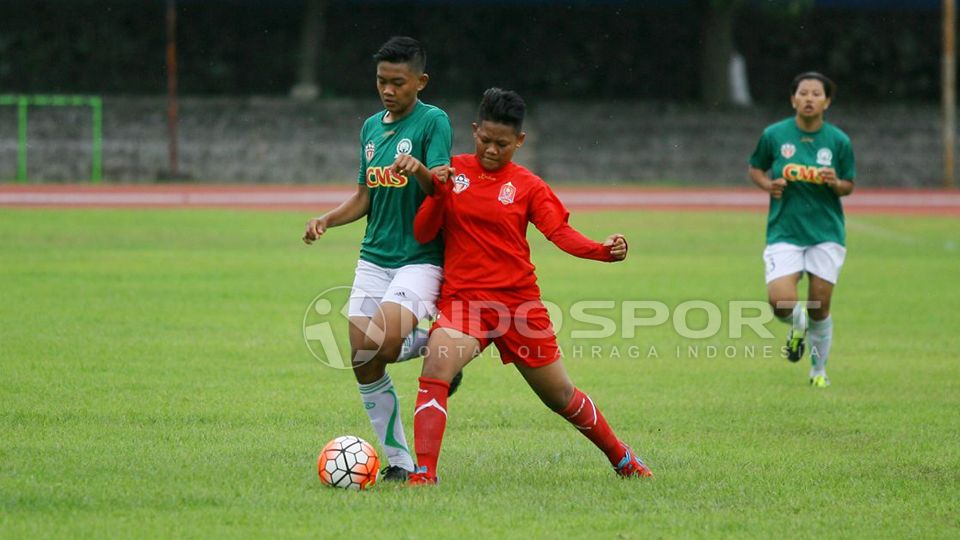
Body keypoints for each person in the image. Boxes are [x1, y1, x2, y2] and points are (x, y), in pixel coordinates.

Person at [393, 88, 652, 485]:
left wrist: (603, 251)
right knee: (437, 367)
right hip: (464, 302)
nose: (492, 150)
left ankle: (623, 459)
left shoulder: (529, 185)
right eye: (484, 140)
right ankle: (424, 474)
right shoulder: (451, 172)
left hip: (519, 306)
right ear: (474, 130)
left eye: (502, 144)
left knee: (560, 397)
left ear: (520, 141)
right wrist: (438, 192)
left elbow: (559, 232)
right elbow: (422, 230)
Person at [302, 36, 461, 482]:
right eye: (381, 81)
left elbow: (441, 189)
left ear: (420, 81)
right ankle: (398, 463)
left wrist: (422, 171)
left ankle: (434, 344)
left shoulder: (434, 122)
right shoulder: (372, 127)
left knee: (384, 347)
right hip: (373, 258)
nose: (388, 90)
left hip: (419, 258)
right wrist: (327, 220)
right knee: (362, 360)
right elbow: (364, 197)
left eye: (397, 82)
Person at [747, 72, 856, 388]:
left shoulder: (838, 141)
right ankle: (797, 326)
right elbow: (755, 167)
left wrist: (835, 183)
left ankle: (818, 371)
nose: (809, 98)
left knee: (820, 306)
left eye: (816, 94)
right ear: (793, 99)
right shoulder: (774, 135)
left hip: (826, 233)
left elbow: (849, 185)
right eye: (803, 93)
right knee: (780, 300)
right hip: (784, 231)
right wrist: (769, 184)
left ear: (827, 101)